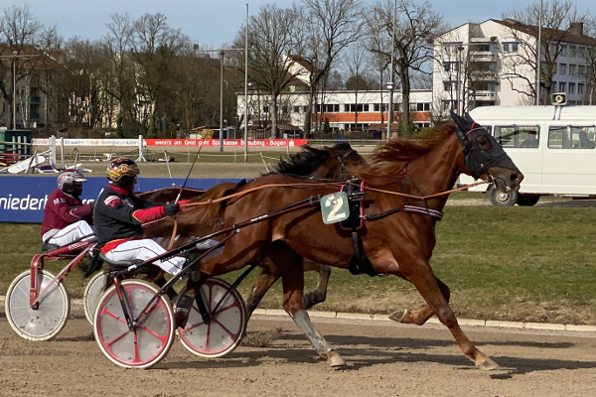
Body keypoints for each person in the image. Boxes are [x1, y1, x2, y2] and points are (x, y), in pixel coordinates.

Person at [93, 157, 186, 276]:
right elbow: (135, 216)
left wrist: (181, 205)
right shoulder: (109, 198)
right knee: (146, 245)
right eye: (133, 178)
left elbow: (150, 206)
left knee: (168, 239)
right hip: (114, 248)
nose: (135, 182)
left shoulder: (126, 196)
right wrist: (164, 210)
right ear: (124, 179)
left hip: (130, 243)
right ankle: (182, 268)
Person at [41, 169, 94, 247]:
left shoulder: (74, 199)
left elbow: (87, 218)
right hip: (53, 234)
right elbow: (68, 216)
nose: (80, 188)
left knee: (97, 227)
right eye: (78, 185)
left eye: (80, 185)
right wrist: (90, 206)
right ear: (68, 185)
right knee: (80, 225)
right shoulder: (56, 196)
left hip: (66, 232)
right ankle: (94, 250)